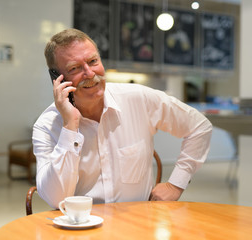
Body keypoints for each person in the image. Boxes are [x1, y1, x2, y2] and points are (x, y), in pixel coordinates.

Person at [32, 28, 212, 209]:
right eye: (74, 68)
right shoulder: (46, 126)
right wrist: (70, 126)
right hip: (80, 228)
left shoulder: (138, 98)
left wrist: (176, 184)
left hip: (137, 224)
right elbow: (56, 199)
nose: (90, 73)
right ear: (57, 79)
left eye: (93, 61)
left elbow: (199, 126)